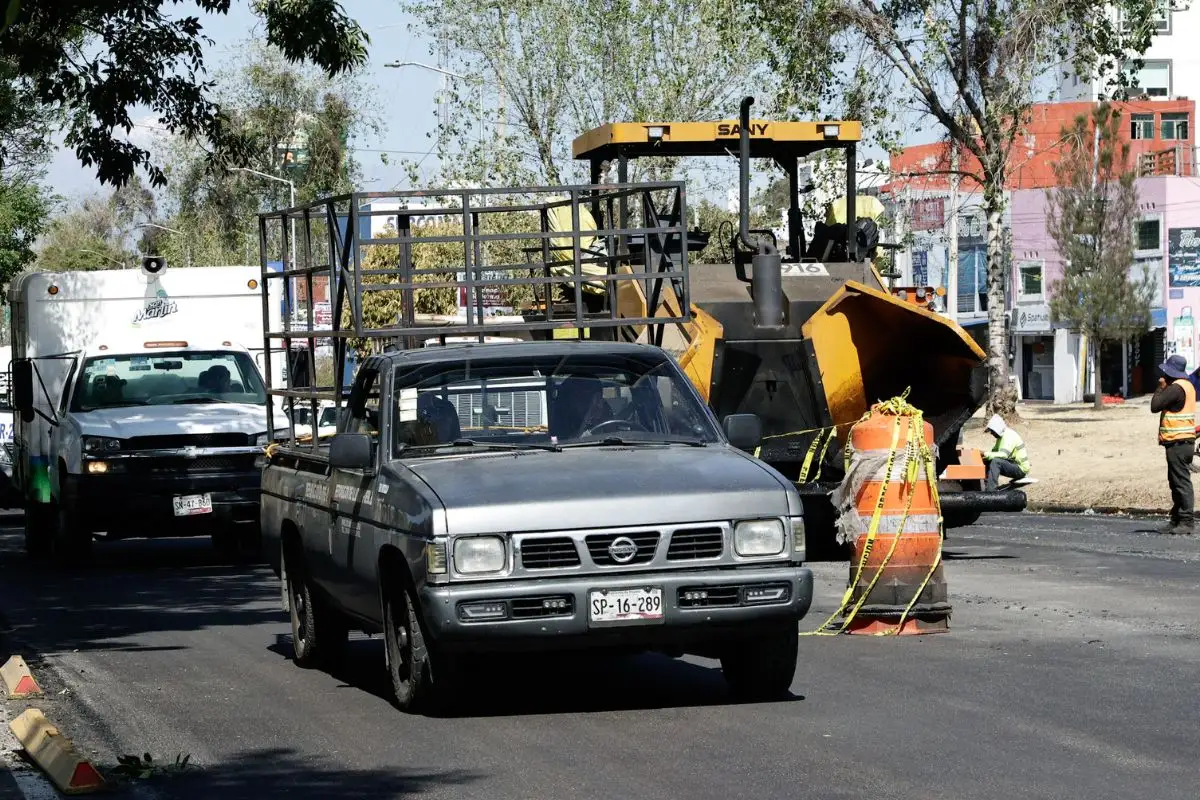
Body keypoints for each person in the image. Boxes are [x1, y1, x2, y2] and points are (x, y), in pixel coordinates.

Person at [1151, 354, 1196, 535]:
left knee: (1181, 483)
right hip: (1181, 442)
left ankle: (1186, 521)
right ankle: (1177, 519)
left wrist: (1160, 388)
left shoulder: (1176, 388)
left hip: (1178, 442)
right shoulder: (1188, 386)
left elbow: (1155, 405)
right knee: (1175, 481)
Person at [982, 414, 1030, 490]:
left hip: (1020, 469)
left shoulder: (1009, 436)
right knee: (987, 460)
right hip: (1012, 463)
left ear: (997, 429)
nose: (991, 433)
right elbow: (994, 453)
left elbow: (1004, 455)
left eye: (992, 431)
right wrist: (984, 456)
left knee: (995, 462)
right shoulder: (1001, 437)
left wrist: (984, 453)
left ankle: (991, 491)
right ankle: (984, 487)